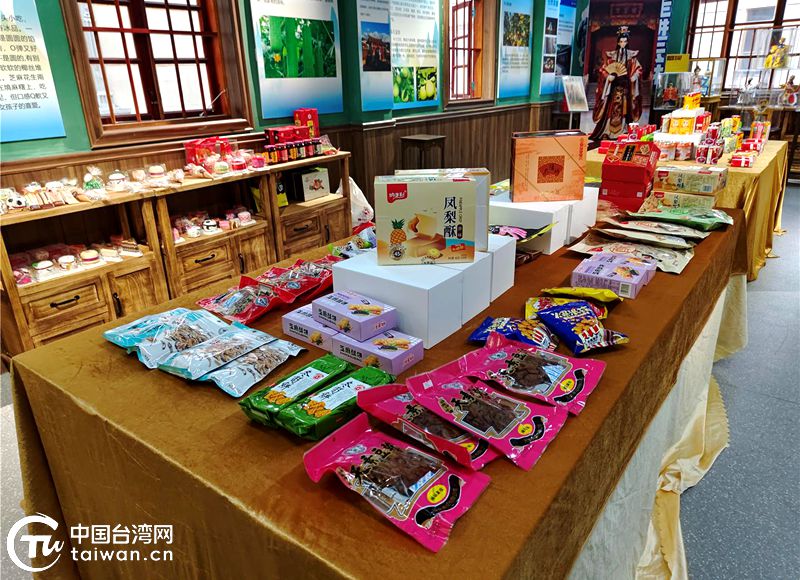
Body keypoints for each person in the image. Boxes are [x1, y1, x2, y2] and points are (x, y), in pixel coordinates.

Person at [590, 26, 642, 140]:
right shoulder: (612, 57)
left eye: (625, 41)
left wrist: (635, 76)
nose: (623, 43)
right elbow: (603, 70)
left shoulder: (632, 57)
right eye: (621, 41)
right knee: (611, 109)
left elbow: (638, 69)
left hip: (625, 87)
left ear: (627, 42)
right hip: (613, 88)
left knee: (624, 110)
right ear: (618, 42)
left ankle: (623, 130)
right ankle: (607, 130)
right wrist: (608, 76)